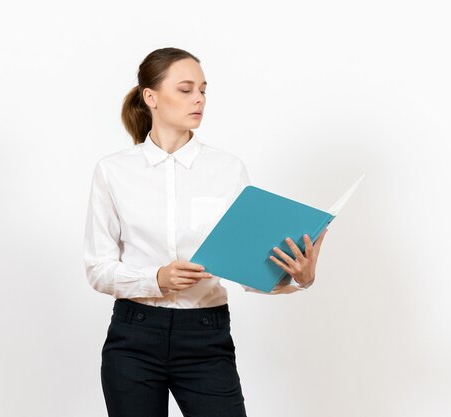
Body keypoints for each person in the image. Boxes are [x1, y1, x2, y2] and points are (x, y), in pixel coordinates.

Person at [83, 47, 328, 417]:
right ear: (150, 97)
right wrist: (157, 278)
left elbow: (248, 271)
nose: (198, 98)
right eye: (185, 89)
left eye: (202, 89)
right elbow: (98, 269)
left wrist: (298, 279)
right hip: (134, 337)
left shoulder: (227, 169)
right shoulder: (113, 171)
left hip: (205, 335)